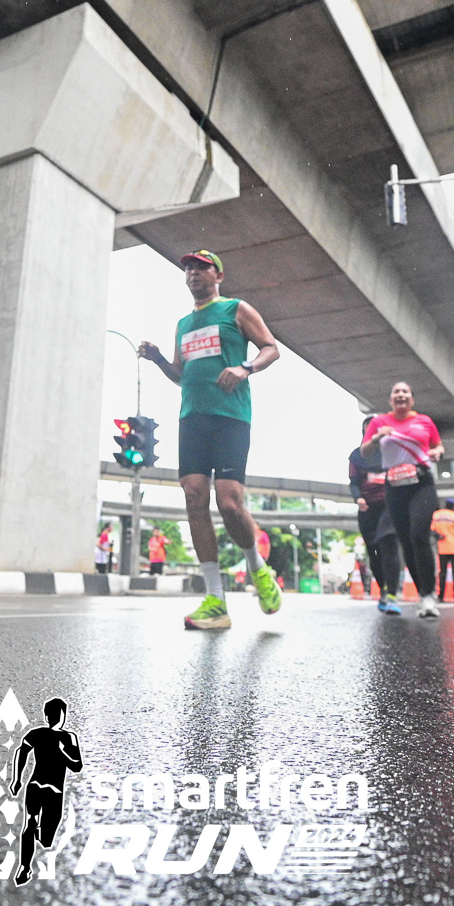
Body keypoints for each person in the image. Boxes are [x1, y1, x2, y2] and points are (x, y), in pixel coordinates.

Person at [139, 249, 283, 630]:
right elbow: (181, 374)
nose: (193, 273)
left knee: (230, 503)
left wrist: (244, 367)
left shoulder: (236, 309)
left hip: (231, 417)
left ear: (218, 275)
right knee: (193, 497)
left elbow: (272, 348)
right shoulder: (183, 324)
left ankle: (258, 569)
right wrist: (158, 359)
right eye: (189, 269)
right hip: (192, 417)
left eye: (202, 268)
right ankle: (215, 601)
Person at [362, 381, 447, 619]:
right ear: (391, 399)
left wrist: (438, 452)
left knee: (419, 535)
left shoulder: (424, 421)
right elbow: (365, 452)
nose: (401, 395)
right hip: (395, 487)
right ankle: (423, 593)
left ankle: (429, 596)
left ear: (412, 398)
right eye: (396, 392)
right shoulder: (380, 422)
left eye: (405, 391)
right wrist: (377, 437)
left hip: (421, 484)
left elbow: (438, 445)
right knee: (407, 542)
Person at [8, 697, 83, 887]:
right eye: (53, 714)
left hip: (54, 791)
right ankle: (25, 867)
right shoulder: (37, 734)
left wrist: (60, 752)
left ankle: (38, 837)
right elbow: (21, 752)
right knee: (30, 822)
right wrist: (17, 779)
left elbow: (77, 766)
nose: (56, 718)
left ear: (63, 716)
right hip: (37, 786)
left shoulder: (69, 737)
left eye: (59, 714)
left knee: (46, 838)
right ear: (47, 716)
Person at [349, 419, 403, 614]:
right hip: (367, 509)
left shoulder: (393, 453)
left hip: (389, 507)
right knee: (374, 552)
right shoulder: (357, 456)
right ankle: (383, 590)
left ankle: (392, 595)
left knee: (389, 544)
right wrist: (358, 498)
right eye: (369, 430)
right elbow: (353, 482)